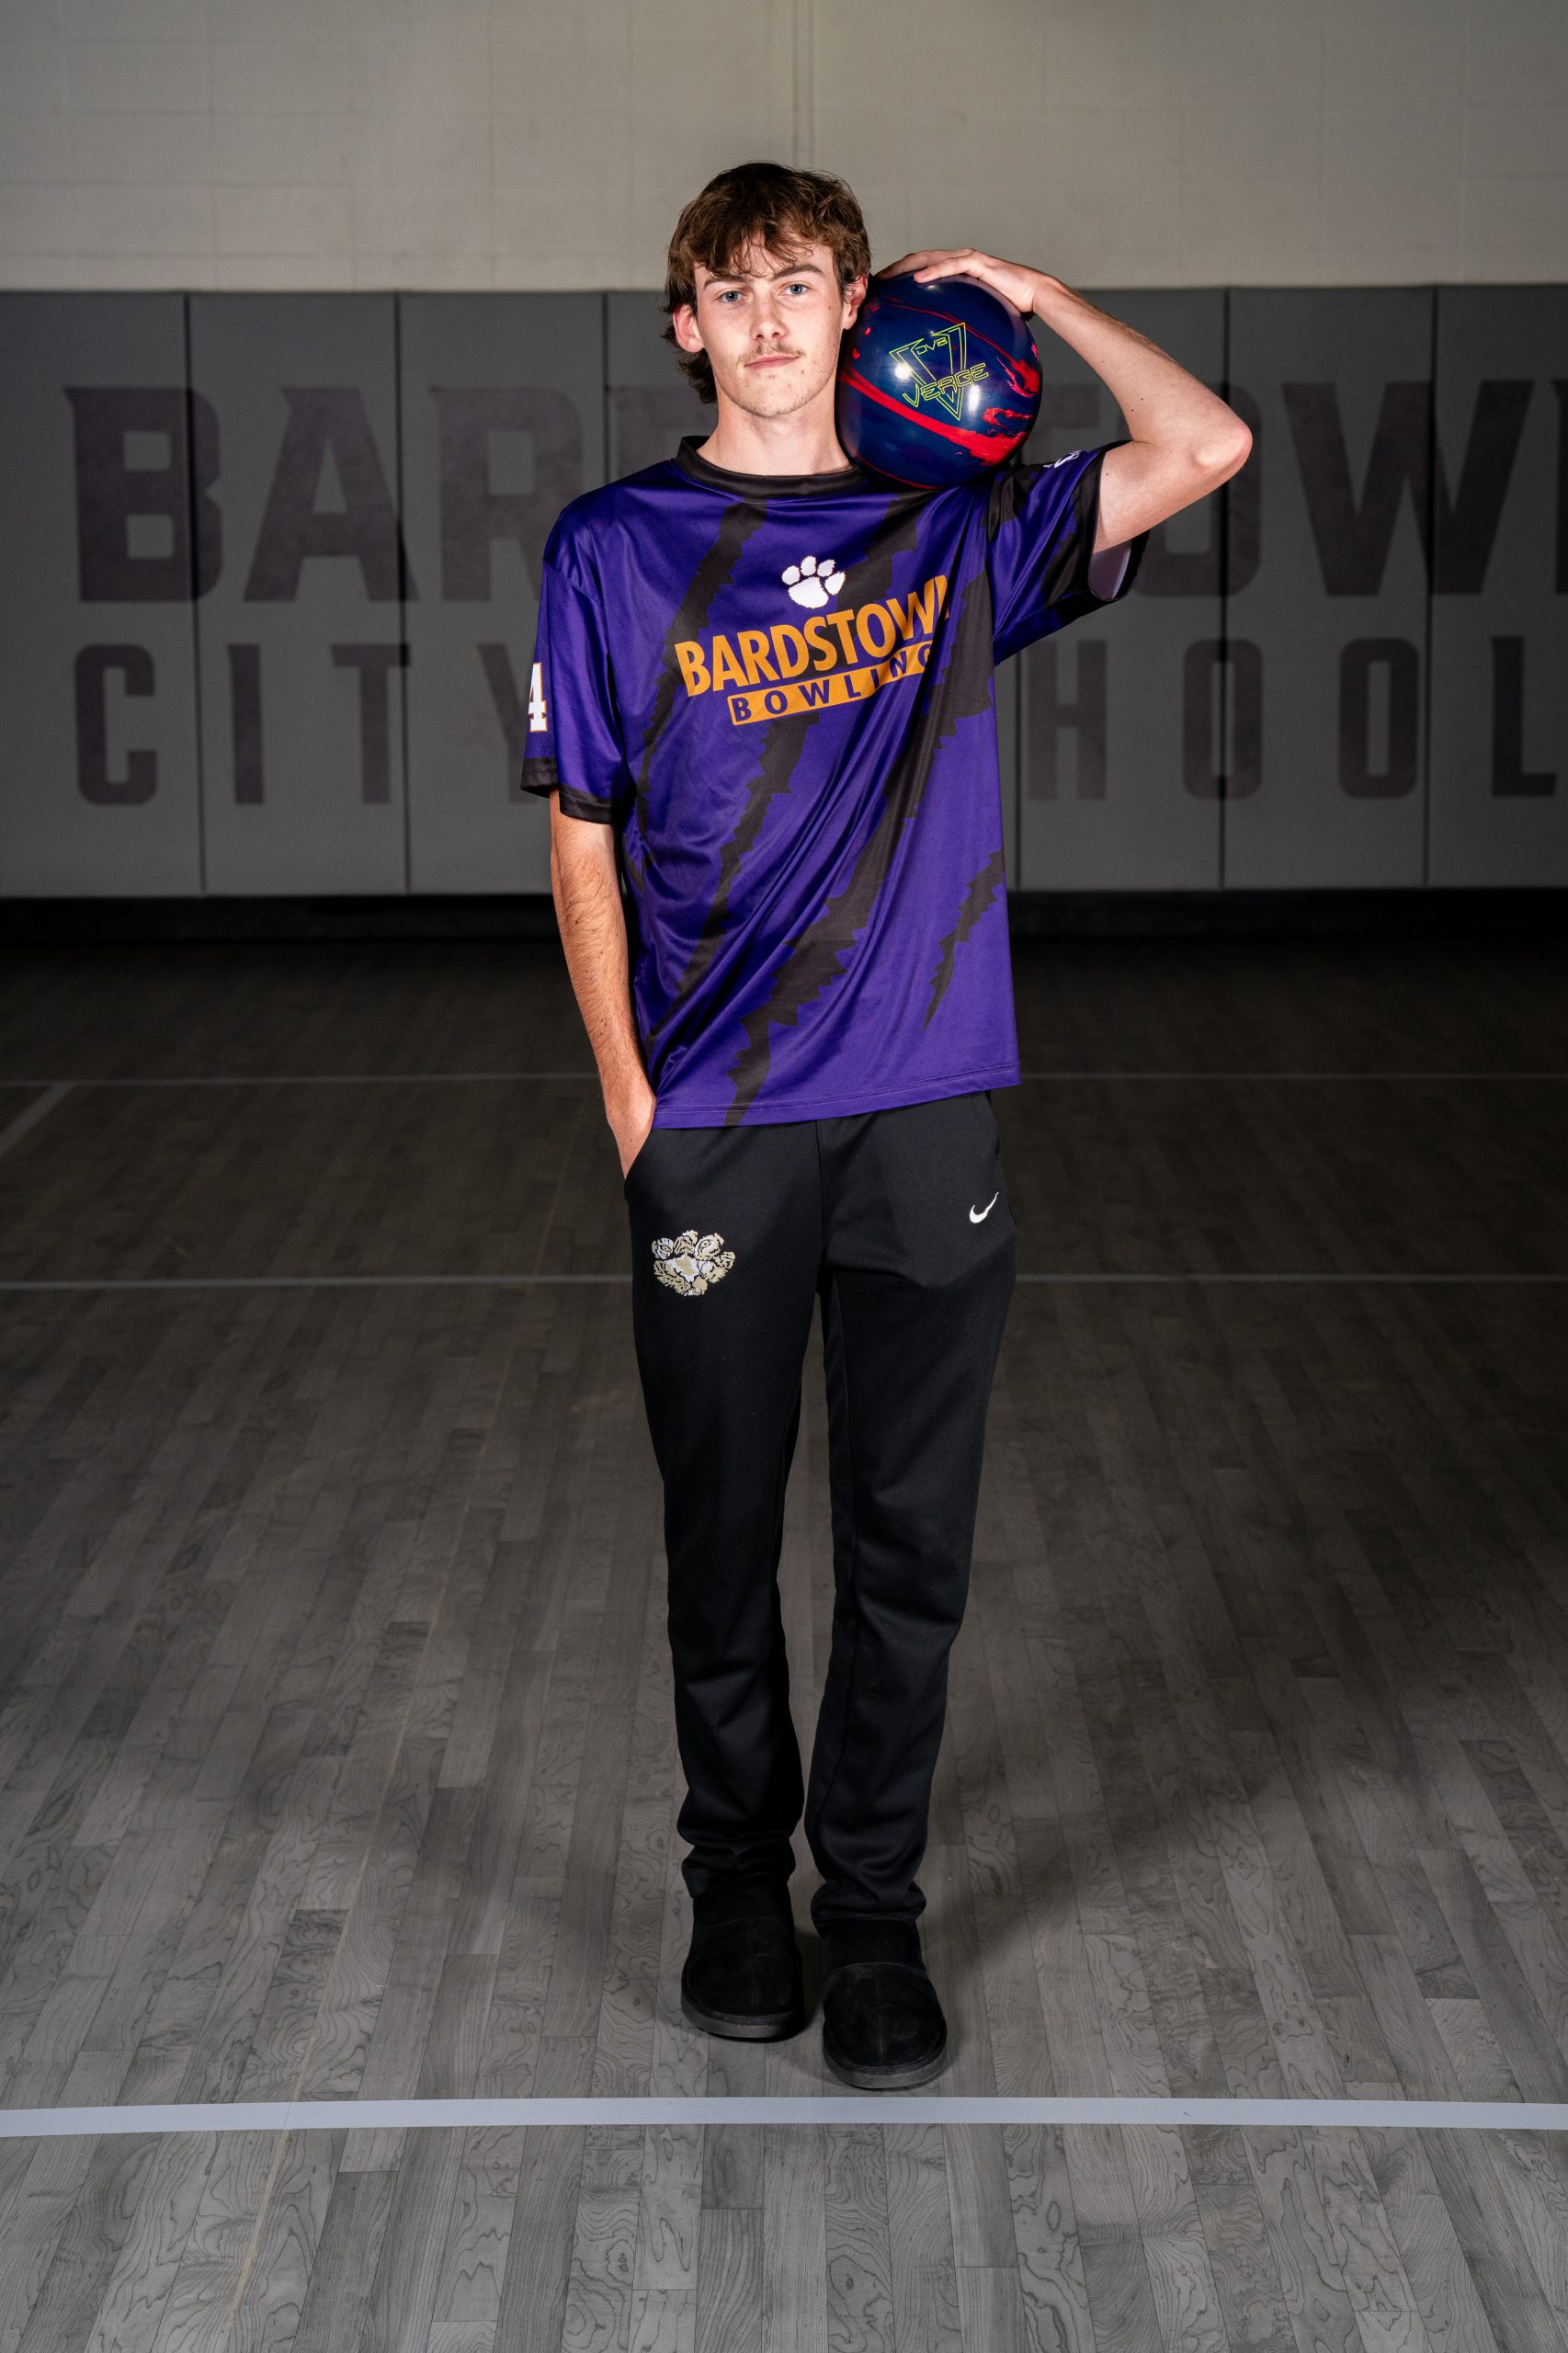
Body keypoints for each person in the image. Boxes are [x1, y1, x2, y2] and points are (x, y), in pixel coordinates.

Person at [522, 161, 1250, 2089]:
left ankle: (868, 1916)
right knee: (720, 1539)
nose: (767, 318)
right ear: (685, 322)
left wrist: (1042, 292)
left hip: (926, 1109)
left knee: (908, 1546)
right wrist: (631, 1103)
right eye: (732, 288)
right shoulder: (613, 544)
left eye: (801, 283)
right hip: (719, 1120)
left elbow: (1205, 444)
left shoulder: (951, 525)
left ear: (858, 308)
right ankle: (732, 1889)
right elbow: (582, 833)